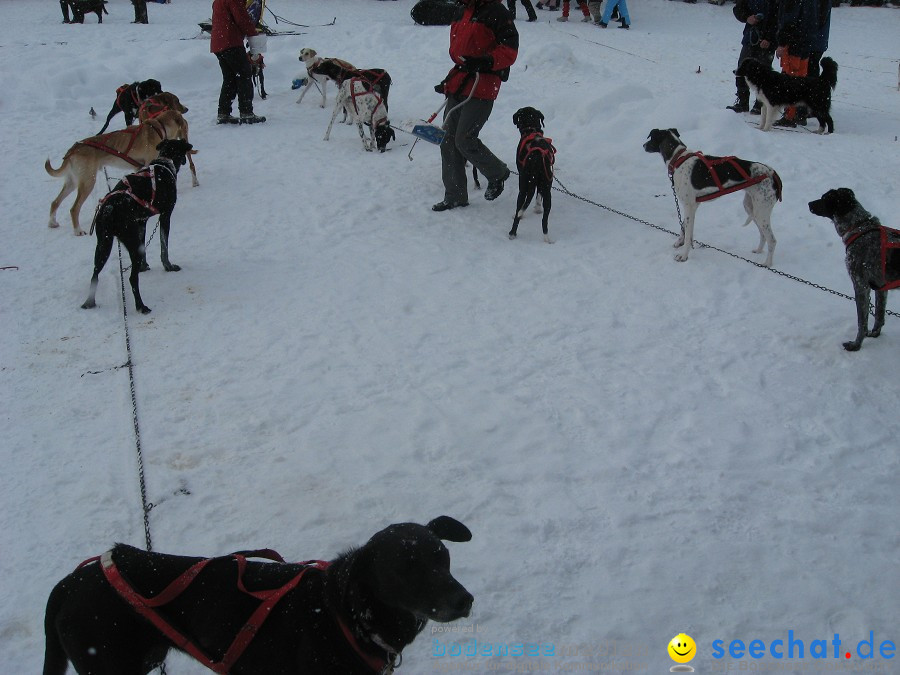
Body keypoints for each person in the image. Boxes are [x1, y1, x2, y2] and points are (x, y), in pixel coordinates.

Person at [432, 0, 518, 212]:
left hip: (483, 83)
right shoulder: (461, 10)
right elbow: (458, 47)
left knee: (464, 138)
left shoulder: (496, 10)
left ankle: (497, 173)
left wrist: (487, 61)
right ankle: (455, 196)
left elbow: (509, 49)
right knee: (448, 139)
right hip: (460, 79)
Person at [210, 0, 266, 124]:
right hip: (231, 42)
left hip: (218, 43)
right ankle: (246, 112)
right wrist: (253, 33)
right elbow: (242, 19)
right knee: (244, 75)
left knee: (230, 78)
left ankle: (223, 113)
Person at [773, 0, 821, 126]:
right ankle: (800, 113)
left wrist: (782, 43)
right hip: (806, 44)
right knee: (801, 80)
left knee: (790, 81)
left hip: (793, 45)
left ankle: (790, 116)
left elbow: (789, 22)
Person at [726, 0, 777, 113]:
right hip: (750, 37)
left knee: (764, 72)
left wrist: (769, 38)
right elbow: (738, 8)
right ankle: (742, 101)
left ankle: (761, 103)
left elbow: (778, 18)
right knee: (742, 68)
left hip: (767, 40)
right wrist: (747, 17)